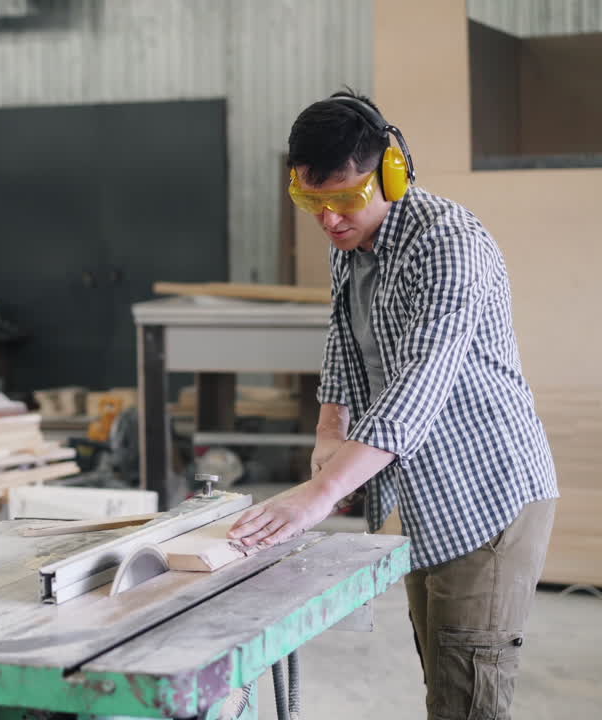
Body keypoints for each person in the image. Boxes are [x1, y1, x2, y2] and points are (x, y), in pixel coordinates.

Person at [228, 89, 559, 719]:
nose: (328, 221)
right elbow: (341, 334)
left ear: (392, 171)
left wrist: (318, 496)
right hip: (424, 493)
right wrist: (331, 428)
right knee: (442, 675)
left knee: (467, 695)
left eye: (345, 199)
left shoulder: (448, 243)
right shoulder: (349, 237)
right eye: (312, 203)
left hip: (487, 496)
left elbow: (419, 382)